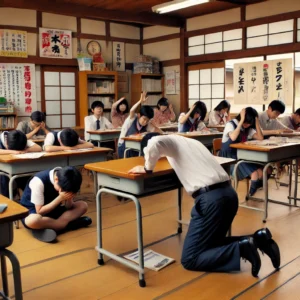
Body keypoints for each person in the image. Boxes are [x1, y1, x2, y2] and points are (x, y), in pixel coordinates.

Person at [128, 134, 280, 278]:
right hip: (229, 195)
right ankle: (258, 239)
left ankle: (242, 248)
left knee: (190, 259)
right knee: (211, 244)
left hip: (212, 200)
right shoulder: (192, 143)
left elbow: (154, 143)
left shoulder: (161, 141)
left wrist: (147, 168)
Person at [20, 166, 92, 242]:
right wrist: (60, 198)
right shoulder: (38, 182)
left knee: (83, 206)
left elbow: (69, 207)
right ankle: (67, 225)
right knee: (33, 220)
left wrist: (69, 198)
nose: (64, 192)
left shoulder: (66, 178)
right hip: (35, 212)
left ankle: (52, 227)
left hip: (54, 211)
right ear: (56, 179)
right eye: (64, 190)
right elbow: (39, 211)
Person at [219, 107, 269, 196]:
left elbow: (260, 138)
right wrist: (241, 120)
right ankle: (250, 196)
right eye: (246, 122)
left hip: (241, 155)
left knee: (263, 171)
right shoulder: (230, 124)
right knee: (255, 174)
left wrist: (256, 122)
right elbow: (233, 137)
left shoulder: (248, 127)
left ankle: (251, 195)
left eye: (250, 123)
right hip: (228, 159)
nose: (247, 125)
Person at [117, 91, 163, 158]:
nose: (145, 122)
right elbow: (132, 111)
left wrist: (165, 134)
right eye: (144, 119)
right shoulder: (132, 118)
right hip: (124, 147)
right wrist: (140, 101)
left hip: (136, 147)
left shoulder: (147, 123)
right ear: (139, 115)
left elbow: (156, 130)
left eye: (148, 120)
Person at [0, 130, 42, 197]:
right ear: (6, 144)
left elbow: (39, 148)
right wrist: (13, 152)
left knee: (24, 174)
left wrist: (25, 150)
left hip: (16, 165)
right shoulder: (6, 139)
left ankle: (28, 199)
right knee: (4, 178)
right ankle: (7, 199)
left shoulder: (20, 138)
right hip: (3, 167)